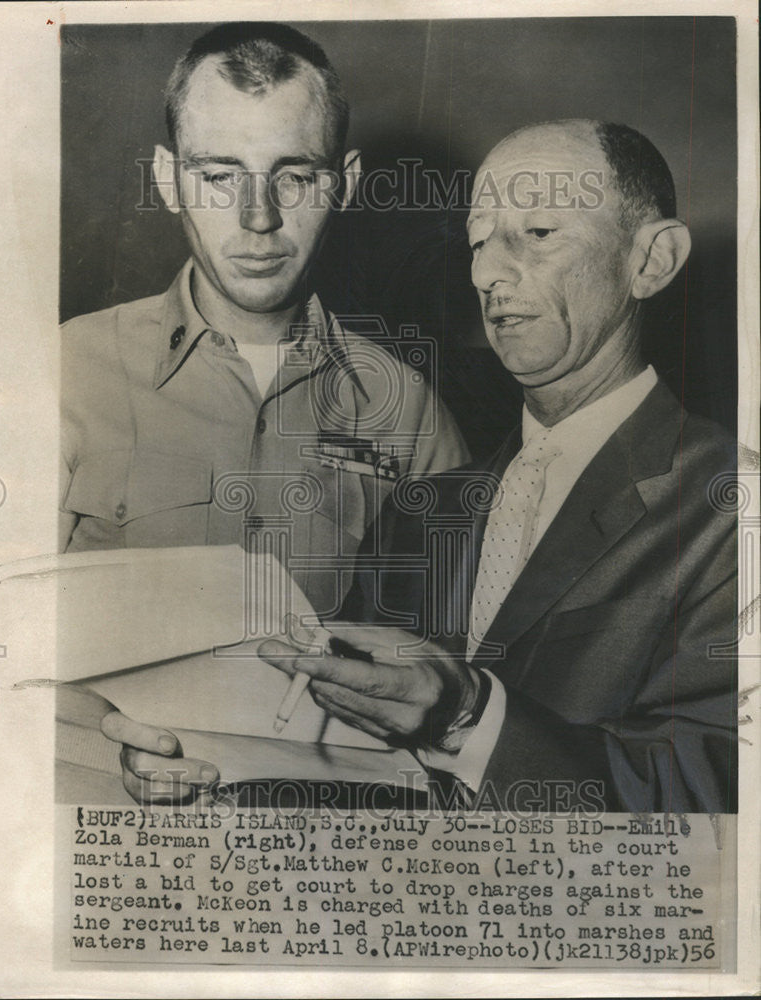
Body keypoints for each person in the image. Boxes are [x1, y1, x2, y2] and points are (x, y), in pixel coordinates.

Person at [259, 119, 739, 814]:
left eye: (537, 233)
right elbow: (338, 760)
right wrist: (216, 772)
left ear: (650, 261)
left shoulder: (730, 504)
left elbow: (720, 800)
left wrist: (470, 715)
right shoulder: (417, 513)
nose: (485, 273)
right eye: (478, 241)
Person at [59, 21, 468, 616]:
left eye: (296, 177)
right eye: (221, 176)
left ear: (345, 184)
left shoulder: (407, 411)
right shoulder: (66, 369)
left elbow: (439, 659)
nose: (259, 218)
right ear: (168, 180)